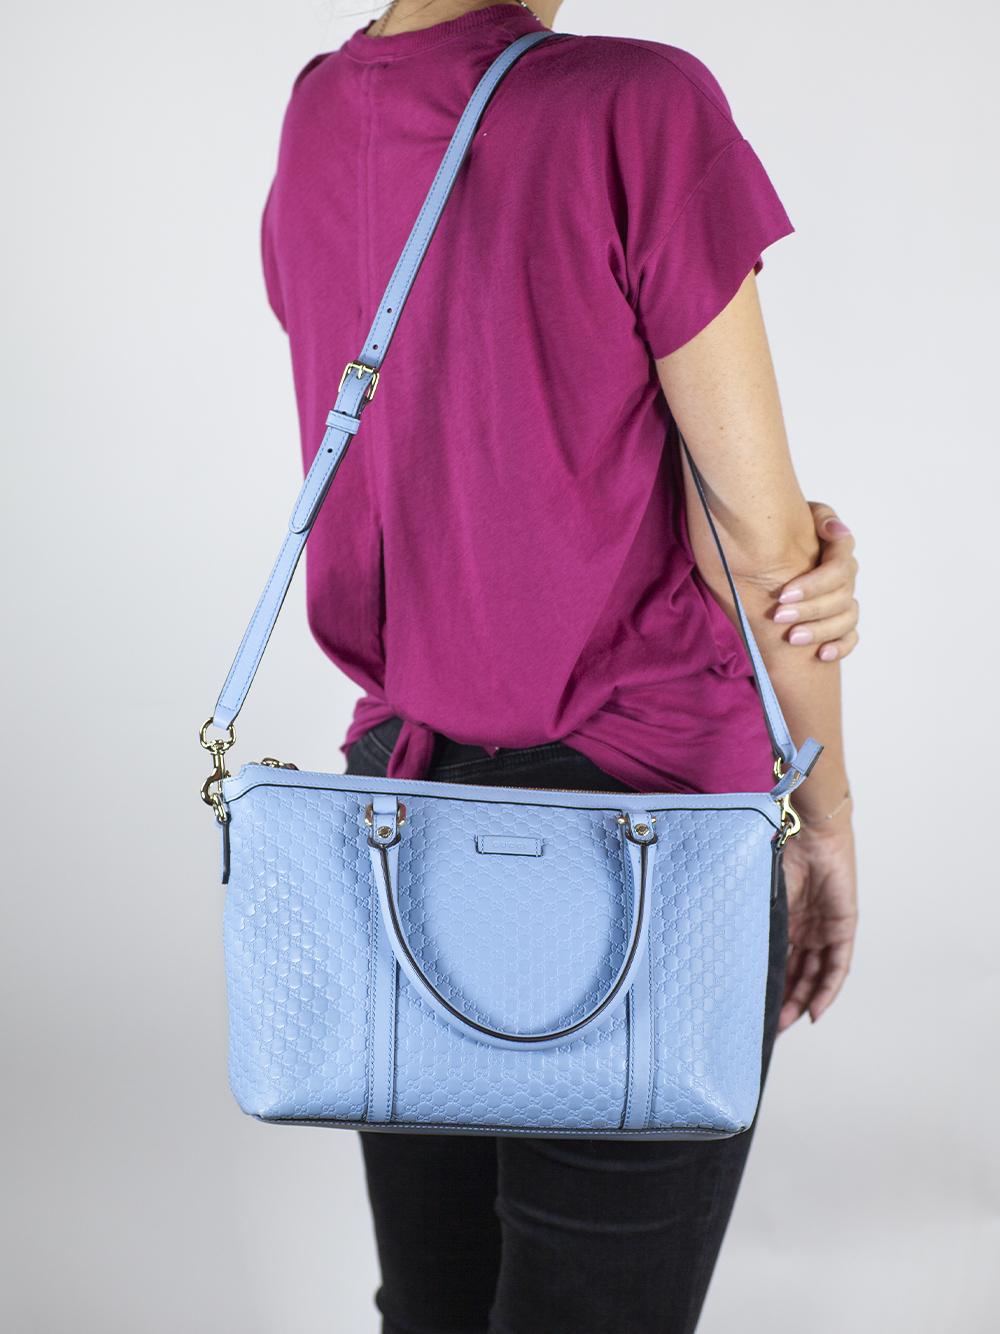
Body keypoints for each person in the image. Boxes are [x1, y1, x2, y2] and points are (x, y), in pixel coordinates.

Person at [260, 2, 859, 1329]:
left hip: (401, 809)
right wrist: (824, 817)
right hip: (649, 830)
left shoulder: (321, 109)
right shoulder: (637, 104)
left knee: (436, 1307)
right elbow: (760, 550)